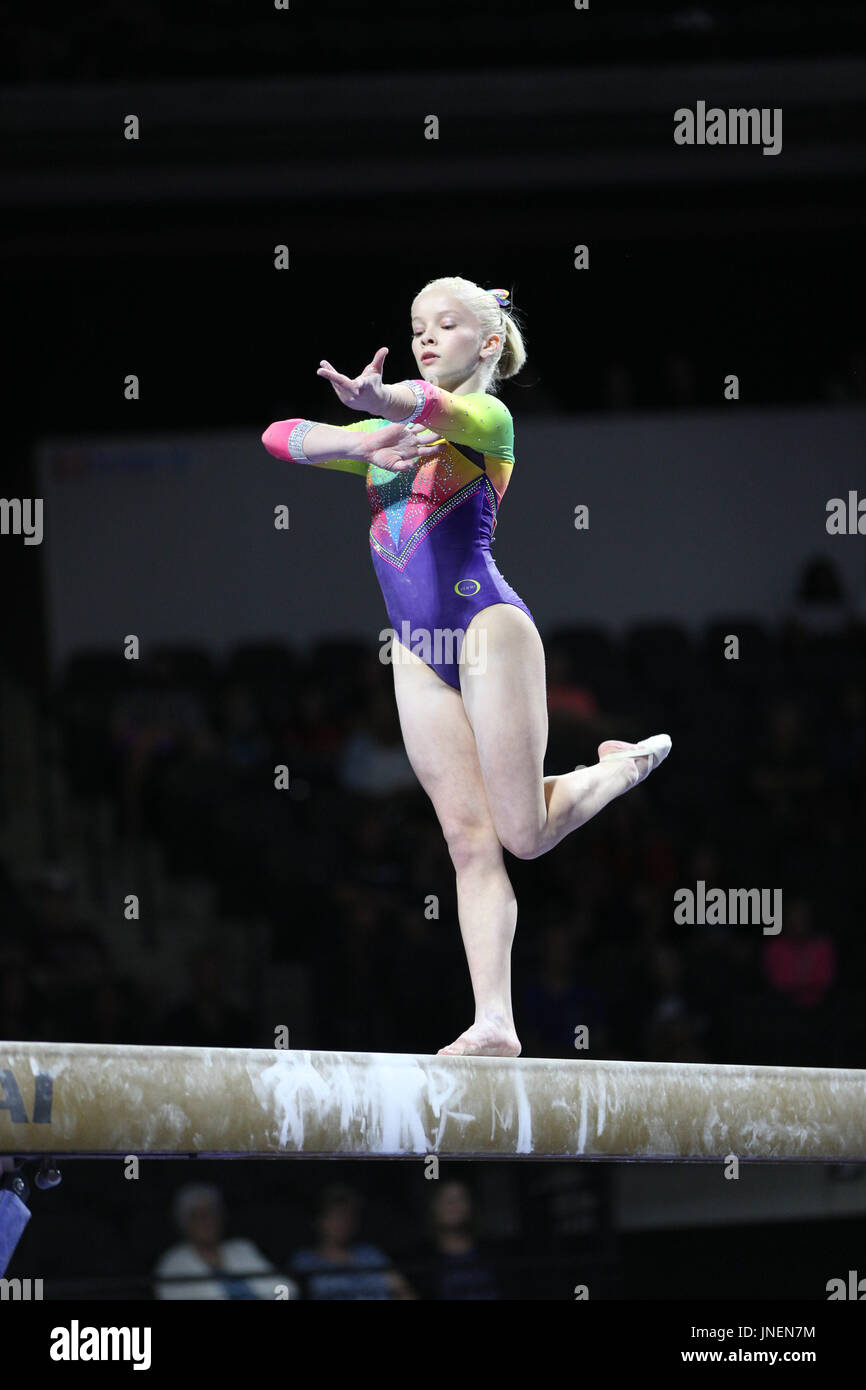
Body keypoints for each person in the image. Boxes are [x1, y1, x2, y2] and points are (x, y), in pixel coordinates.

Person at [262, 275, 671, 1056]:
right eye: (416, 323)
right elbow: (277, 436)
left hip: (486, 627)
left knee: (525, 834)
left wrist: (383, 405)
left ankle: (624, 767)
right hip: (416, 655)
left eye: (445, 325)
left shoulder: (489, 420)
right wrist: (357, 440)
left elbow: (439, 408)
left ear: (486, 344)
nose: (424, 335)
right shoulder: (388, 445)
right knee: (468, 841)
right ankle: (494, 1022)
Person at [153, 1183, 295, 1300]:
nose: (206, 1222)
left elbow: (287, 1289)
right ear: (184, 1223)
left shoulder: (242, 1248)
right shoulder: (172, 1263)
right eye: (197, 1216)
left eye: (211, 1213)